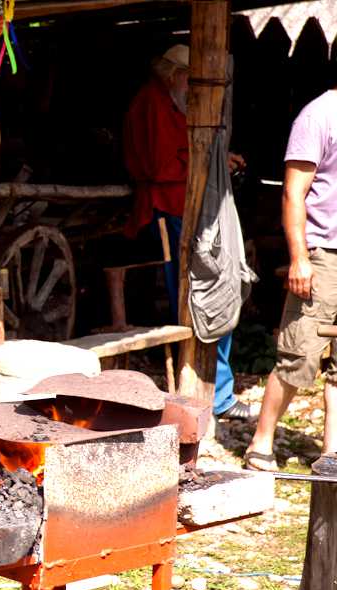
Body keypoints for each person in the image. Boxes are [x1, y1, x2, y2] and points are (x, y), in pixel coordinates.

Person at [123, 44, 256, 420]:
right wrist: (208, 165)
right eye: (186, 76)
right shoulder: (152, 103)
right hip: (169, 209)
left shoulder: (169, 104)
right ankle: (212, 395)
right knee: (203, 296)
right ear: (172, 74)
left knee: (210, 292)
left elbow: (182, 154)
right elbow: (161, 166)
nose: (190, 84)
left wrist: (217, 162)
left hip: (185, 207)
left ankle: (215, 392)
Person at [243, 86, 337, 471]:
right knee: (298, 355)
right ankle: (260, 445)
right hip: (324, 254)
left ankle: (332, 452)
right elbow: (293, 194)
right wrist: (299, 258)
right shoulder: (319, 115)